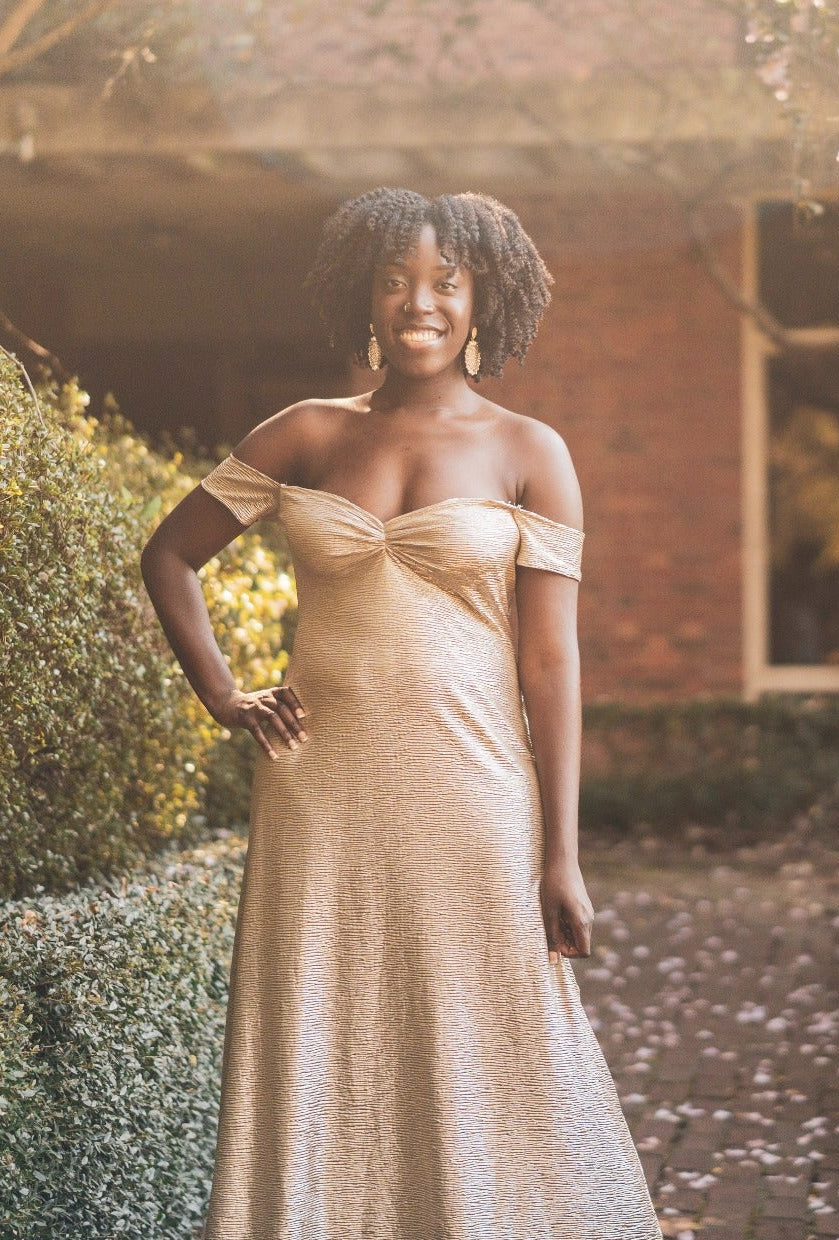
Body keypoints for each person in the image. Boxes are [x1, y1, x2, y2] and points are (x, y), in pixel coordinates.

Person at [141, 187, 663, 1239]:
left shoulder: (531, 452)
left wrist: (561, 852)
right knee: (323, 1026)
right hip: (318, 788)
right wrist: (221, 690)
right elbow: (169, 554)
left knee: (493, 1030)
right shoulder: (302, 433)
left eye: (443, 282)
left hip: (475, 793)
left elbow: (550, 662)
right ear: (363, 298)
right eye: (393, 280)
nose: (416, 302)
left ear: (481, 300)